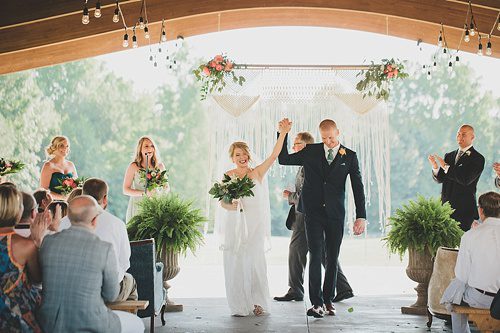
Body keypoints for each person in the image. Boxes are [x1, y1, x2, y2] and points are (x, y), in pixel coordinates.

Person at [278, 119, 366, 318]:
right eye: (324, 138)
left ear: (338, 132)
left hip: (335, 214)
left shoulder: (349, 156)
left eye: (331, 138)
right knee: (316, 255)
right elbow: (283, 159)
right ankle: (316, 303)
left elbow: (358, 187)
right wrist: (282, 133)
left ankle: (328, 301)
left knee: (332, 258)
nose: (328, 142)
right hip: (313, 213)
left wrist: (361, 216)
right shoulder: (310, 151)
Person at [38, 195, 144, 333]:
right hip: (89, 322)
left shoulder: (48, 242)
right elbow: (111, 295)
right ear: (94, 221)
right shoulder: (104, 249)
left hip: (49, 323)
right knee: (137, 324)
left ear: (68, 217)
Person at [217, 122, 290, 317]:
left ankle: (258, 302)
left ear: (248, 155)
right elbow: (222, 203)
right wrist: (231, 205)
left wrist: (282, 133)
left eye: (244, 154)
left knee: (256, 262)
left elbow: (274, 155)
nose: (242, 158)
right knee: (237, 263)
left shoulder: (256, 172)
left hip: (255, 226)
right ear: (232, 158)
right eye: (237, 155)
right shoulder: (228, 176)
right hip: (237, 226)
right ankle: (241, 303)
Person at [440, 191, 500, 333]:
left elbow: (462, 275)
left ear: (481, 210)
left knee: (455, 296)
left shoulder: (470, 236)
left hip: (482, 299)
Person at [0, 185, 50, 332]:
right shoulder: (25, 245)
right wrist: (37, 241)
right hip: (13, 315)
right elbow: (37, 279)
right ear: (16, 210)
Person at [429, 125, 485, 231]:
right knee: (444, 245)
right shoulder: (449, 155)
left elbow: (465, 179)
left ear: (472, 137)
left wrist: (445, 166)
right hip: (445, 209)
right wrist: (435, 167)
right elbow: (441, 179)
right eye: (458, 134)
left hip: (464, 210)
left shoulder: (478, 158)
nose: (460, 137)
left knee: (462, 245)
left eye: (463, 134)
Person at [123, 136, 167, 223]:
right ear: (140, 149)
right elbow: (125, 190)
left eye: (152, 146)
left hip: (155, 206)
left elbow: (167, 187)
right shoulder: (133, 166)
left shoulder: (160, 166)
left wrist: (158, 195)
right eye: (146, 146)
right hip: (137, 206)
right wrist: (145, 193)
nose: (150, 148)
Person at [40, 136, 78, 200]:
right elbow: (43, 191)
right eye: (62, 146)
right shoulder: (48, 166)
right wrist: (63, 198)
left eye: (67, 146)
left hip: (70, 204)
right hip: (53, 204)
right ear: (55, 147)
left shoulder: (71, 165)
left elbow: (77, 187)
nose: (65, 149)